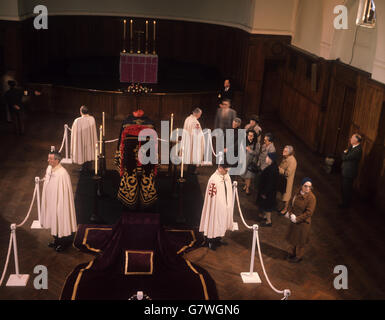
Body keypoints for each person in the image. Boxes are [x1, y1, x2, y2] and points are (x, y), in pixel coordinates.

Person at [115, 109, 158, 210]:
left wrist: (119, 154)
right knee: (146, 174)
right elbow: (155, 142)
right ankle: (147, 196)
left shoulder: (126, 122)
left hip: (129, 153)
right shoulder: (150, 123)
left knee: (129, 173)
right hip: (147, 153)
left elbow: (121, 142)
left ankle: (129, 196)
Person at [41, 151, 77, 252]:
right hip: (51, 200)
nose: (48, 160)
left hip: (60, 202)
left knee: (60, 221)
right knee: (53, 220)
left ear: (57, 160)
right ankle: (56, 240)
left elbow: (64, 192)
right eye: (48, 158)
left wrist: (60, 204)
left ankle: (63, 243)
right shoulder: (49, 168)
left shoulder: (62, 174)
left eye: (51, 159)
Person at [199, 163, 236, 250]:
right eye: (225, 170)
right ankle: (210, 240)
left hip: (225, 206)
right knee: (214, 221)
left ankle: (218, 238)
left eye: (227, 170)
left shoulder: (226, 176)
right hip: (216, 207)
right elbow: (212, 196)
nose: (227, 172)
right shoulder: (213, 179)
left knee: (222, 222)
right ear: (220, 168)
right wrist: (218, 205)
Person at [285, 177, 316, 263]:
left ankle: (298, 256)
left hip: (303, 223)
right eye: (306, 186)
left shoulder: (311, 198)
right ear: (302, 186)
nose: (308, 188)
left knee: (300, 241)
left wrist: (297, 219)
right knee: (294, 238)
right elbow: (291, 203)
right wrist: (290, 213)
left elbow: (309, 213)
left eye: (310, 187)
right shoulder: (297, 192)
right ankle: (293, 253)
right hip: (294, 220)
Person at [340, 134, 362, 209]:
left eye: (352, 138)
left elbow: (345, 157)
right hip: (346, 171)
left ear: (356, 140)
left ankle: (345, 205)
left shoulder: (357, 150)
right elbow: (344, 155)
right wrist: (344, 153)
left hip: (349, 173)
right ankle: (344, 203)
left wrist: (344, 153)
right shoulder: (352, 147)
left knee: (347, 189)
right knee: (344, 188)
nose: (350, 139)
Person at [257, 152, 279, 227]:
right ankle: (265, 217)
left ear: (271, 159)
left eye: (267, 157)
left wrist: (264, 193)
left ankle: (268, 222)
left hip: (268, 193)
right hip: (269, 192)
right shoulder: (272, 167)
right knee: (266, 206)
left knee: (267, 208)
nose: (266, 158)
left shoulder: (272, 169)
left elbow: (270, 183)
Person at [181, 107, 205, 175]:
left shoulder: (187, 119)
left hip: (188, 141)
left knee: (190, 157)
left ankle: (189, 170)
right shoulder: (195, 122)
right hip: (193, 142)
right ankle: (192, 171)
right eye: (200, 114)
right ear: (198, 114)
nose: (200, 115)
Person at [278, 145, 297, 215]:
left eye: (285, 151)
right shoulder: (285, 157)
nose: (283, 152)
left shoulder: (292, 161)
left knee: (286, 195)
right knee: (283, 194)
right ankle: (283, 207)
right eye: (283, 150)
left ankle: (285, 209)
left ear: (290, 153)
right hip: (282, 179)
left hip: (287, 181)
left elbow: (287, 173)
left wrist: (279, 169)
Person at [241, 130, 260, 195]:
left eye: (251, 136)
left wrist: (250, 150)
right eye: (248, 135)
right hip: (244, 161)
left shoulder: (257, 144)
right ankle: (246, 185)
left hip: (251, 163)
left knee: (248, 176)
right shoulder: (245, 141)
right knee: (244, 175)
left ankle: (247, 188)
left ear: (254, 136)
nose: (249, 137)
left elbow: (257, 153)